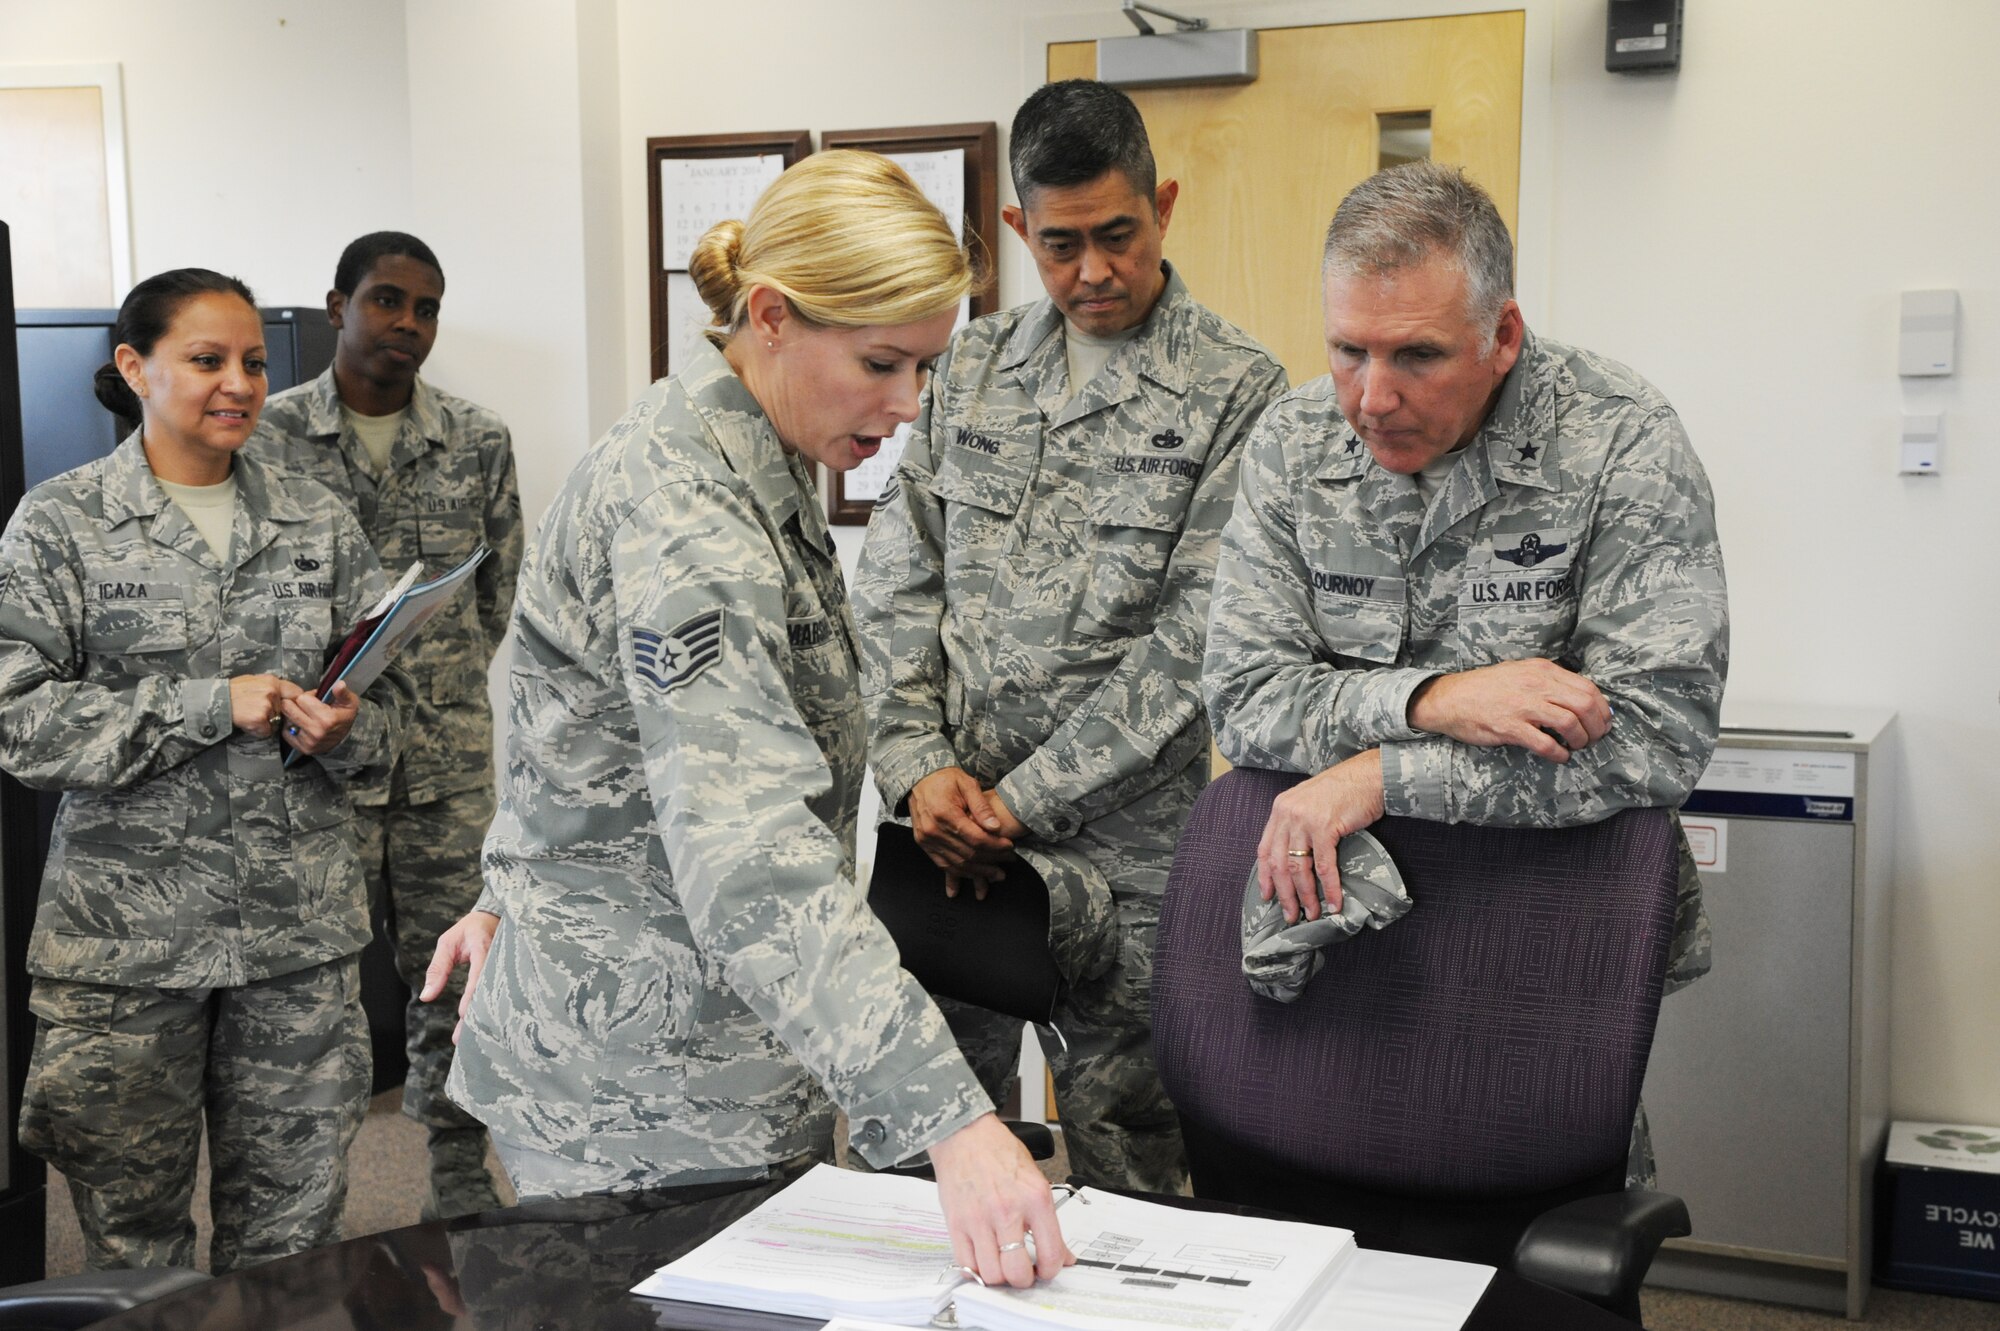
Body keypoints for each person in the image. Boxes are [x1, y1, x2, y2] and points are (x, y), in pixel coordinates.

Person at [425, 151, 1072, 1289]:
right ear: (769, 317)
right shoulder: (688, 511)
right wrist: (951, 1119)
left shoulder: (736, 451)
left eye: (925, 365)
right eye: (881, 362)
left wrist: (514, 882)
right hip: (645, 1094)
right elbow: (752, 859)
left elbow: (589, 732)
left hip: (705, 1043)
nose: (907, 404)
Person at [1201, 162, 1728, 1184]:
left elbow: (1655, 737)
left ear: (1503, 336)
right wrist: (1433, 700)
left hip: (1546, 919)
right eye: (1346, 350)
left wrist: (1379, 772)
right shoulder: (1291, 443)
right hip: (1338, 921)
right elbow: (1243, 696)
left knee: (1536, 1225)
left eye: (1416, 355)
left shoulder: (1621, 441)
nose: (1371, 395)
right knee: (1322, 1210)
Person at [851, 80, 1288, 1194]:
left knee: (1136, 1153)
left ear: (1163, 207)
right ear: (1015, 231)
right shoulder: (967, 368)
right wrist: (916, 769)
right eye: (1059, 244)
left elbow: (1200, 641)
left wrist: (1017, 805)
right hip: (940, 838)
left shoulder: (1237, 389)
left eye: (1115, 235)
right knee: (921, 1141)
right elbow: (896, 583)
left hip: (1129, 854)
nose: (1091, 270)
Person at [0, 269, 413, 1269]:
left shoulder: (316, 520)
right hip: (128, 948)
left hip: (296, 942)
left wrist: (344, 723)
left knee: (293, 1237)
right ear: (135, 368)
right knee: (133, 1243)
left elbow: (391, 717)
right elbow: (20, 723)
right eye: (206, 359)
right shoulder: (61, 524)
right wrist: (204, 703)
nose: (237, 382)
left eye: (254, 363)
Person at [248, 231, 521, 1219]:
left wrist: (434, 689)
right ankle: (304, 1200)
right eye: (387, 301)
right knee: (312, 990)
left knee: (454, 982)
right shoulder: (268, 437)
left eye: (426, 309)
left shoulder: (476, 438)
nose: (407, 323)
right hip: (316, 767)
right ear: (337, 306)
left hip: (445, 767)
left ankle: (453, 1175)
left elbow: (498, 592)